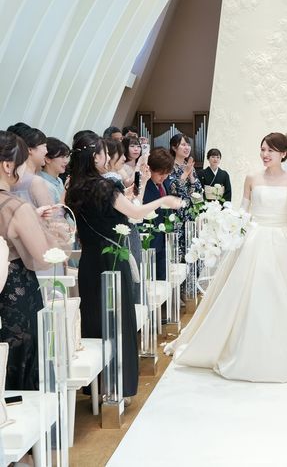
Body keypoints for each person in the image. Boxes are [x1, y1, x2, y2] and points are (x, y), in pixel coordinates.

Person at [165, 133, 287, 383]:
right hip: (255, 239)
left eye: (271, 150)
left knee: (286, 292)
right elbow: (244, 210)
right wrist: (229, 226)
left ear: (284, 153)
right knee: (251, 291)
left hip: (283, 240)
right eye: (262, 149)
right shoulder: (252, 177)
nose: (265, 154)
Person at [66, 133, 182, 401]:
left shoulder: (73, 187)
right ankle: (118, 387)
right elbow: (136, 213)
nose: (108, 157)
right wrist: (163, 201)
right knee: (118, 322)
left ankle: (98, 389)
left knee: (95, 321)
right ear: (95, 157)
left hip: (89, 262)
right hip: (113, 261)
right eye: (105, 153)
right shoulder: (105, 187)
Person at [0, 131, 70, 389]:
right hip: (14, 293)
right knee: (19, 367)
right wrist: (56, 233)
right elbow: (43, 258)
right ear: (8, 166)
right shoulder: (15, 207)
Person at [166, 133, 203, 259]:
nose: (187, 148)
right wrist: (186, 173)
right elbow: (172, 188)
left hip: (190, 212)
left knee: (191, 249)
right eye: (183, 145)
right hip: (176, 212)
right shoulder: (169, 166)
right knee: (177, 252)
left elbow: (198, 192)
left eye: (188, 145)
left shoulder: (189, 166)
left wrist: (191, 175)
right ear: (174, 148)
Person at [143, 148, 175, 280]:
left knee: (163, 278)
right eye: (160, 174)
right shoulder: (144, 186)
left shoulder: (165, 183)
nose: (163, 177)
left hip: (164, 240)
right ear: (150, 169)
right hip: (150, 242)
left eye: (166, 173)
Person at [40, 137, 70, 204]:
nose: (66, 161)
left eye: (66, 157)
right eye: (62, 157)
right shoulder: (42, 183)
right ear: (47, 159)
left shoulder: (59, 180)